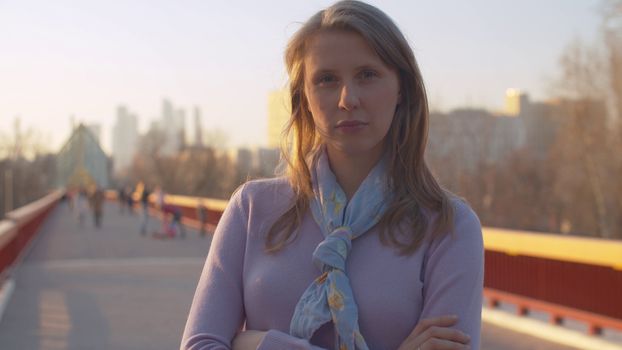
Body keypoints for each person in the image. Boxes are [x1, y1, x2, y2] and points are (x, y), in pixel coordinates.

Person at [181, 1, 483, 349]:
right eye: (326, 79)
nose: (348, 99)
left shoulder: (448, 226)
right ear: (303, 98)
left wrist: (260, 344)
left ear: (402, 87)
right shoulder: (251, 209)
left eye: (367, 74)